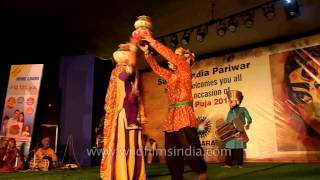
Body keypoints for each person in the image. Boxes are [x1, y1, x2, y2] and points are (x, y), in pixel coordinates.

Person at [136, 30, 207, 180]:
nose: (175, 57)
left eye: (179, 55)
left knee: (188, 148)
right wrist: (147, 53)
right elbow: (157, 69)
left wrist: (152, 41)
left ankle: (201, 172)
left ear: (186, 59)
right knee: (172, 152)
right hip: (171, 117)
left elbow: (170, 55)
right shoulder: (171, 76)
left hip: (184, 114)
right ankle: (177, 177)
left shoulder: (185, 69)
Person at [100, 40, 147, 180]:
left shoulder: (131, 75)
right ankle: (122, 176)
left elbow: (137, 95)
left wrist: (142, 113)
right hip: (124, 114)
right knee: (125, 146)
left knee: (132, 147)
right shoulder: (119, 70)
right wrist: (133, 48)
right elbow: (130, 69)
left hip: (132, 114)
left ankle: (132, 175)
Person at [223, 90, 252, 169]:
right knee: (229, 147)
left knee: (239, 147)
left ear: (238, 101)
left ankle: (240, 164)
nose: (230, 103)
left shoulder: (243, 109)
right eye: (230, 101)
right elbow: (227, 121)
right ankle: (228, 163)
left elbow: (249, 118)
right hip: (230, 131)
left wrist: (248, 123)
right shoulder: (230, 111)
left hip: (239, 129)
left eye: (232, 101)